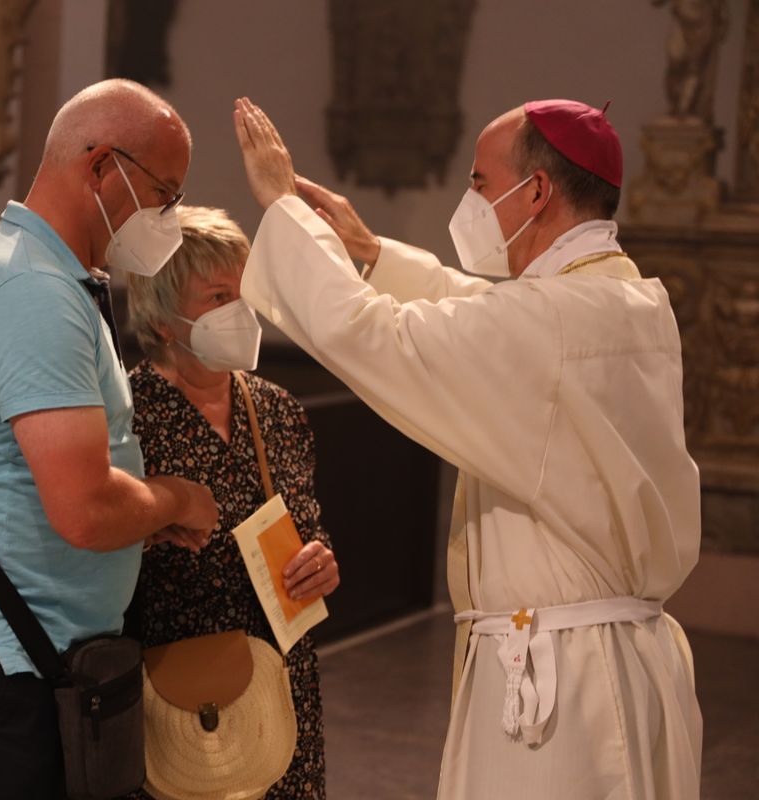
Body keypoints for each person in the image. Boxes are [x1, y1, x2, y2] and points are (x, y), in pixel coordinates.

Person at [231, 96, 702, 799]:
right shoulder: (628, 299)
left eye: (480, 182)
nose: (470, 200)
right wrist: (371, 253)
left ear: (537, 190)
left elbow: (375, 335)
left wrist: (282, 208)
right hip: (623, 662)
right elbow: (488, 314)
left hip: (558, 689)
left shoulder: (550, 322)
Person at [0, 79, 220, 799]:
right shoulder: (30, 290)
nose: (169, 217)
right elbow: (85, 509)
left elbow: (49, 491)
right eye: (164, 193)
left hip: (25, 665)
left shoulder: (55, 278)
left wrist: (143, 524)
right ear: (101, 167)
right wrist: (174, 500)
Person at [123, 205, 340, 798]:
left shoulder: (277, 408)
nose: (240, 311)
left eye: (244, 292)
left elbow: (306, 527)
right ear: (164, 320)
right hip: (178, 686)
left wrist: (322, 562)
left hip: (279, 679)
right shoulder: (128, 417)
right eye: (218, 296)